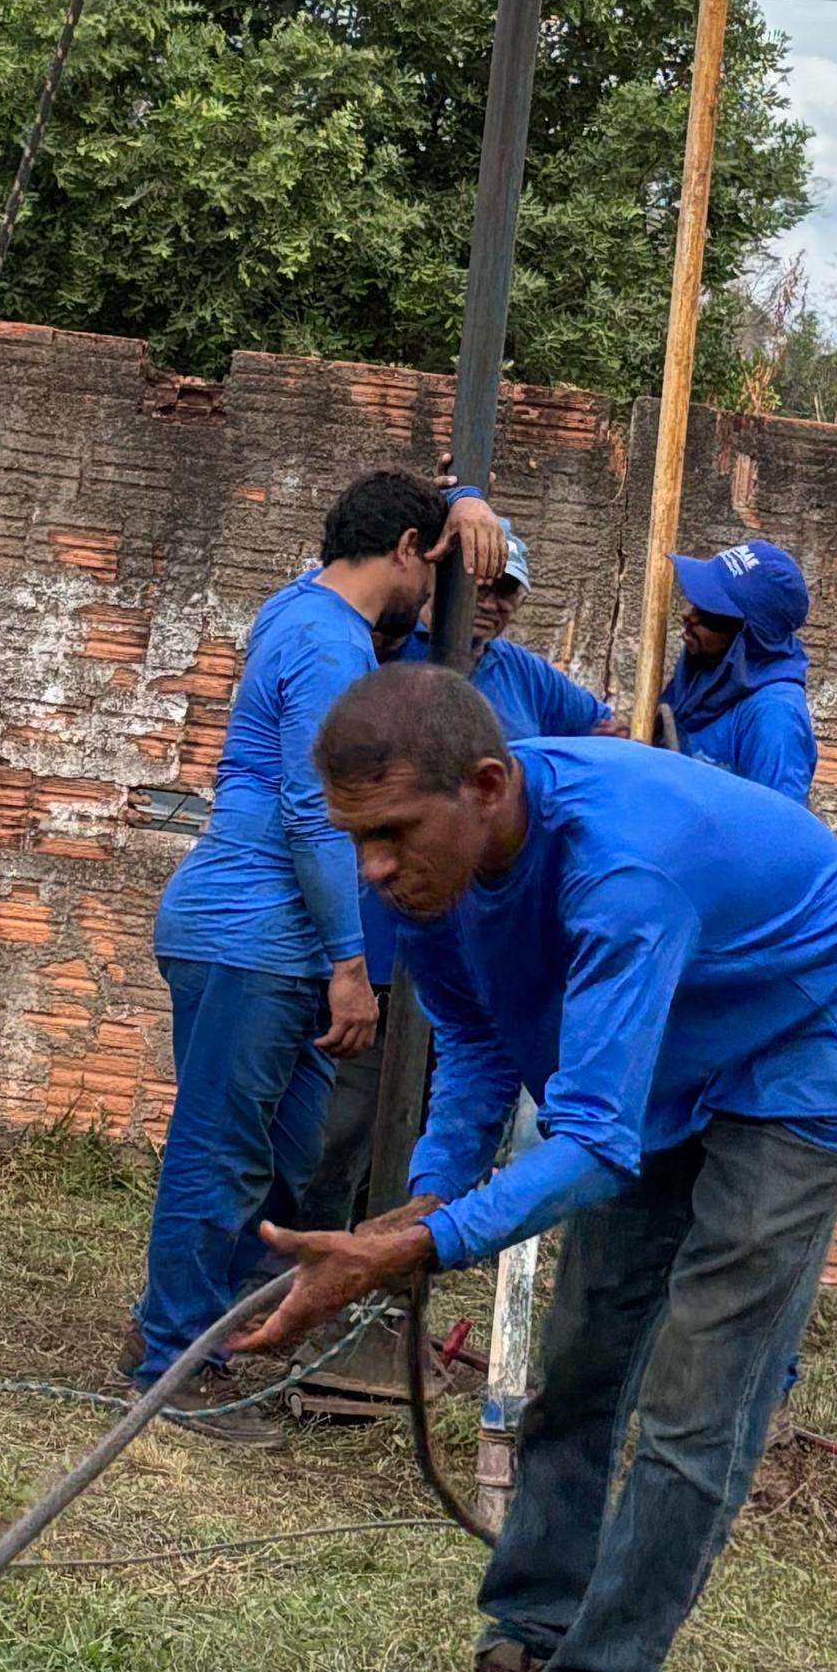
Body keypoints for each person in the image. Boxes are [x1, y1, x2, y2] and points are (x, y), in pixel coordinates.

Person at [246, 666, 837, 1672]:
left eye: (393, 833)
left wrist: (415, 1240)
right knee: (579, 1367)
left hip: (814, 1046)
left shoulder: (623, 869)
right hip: (673, 1047)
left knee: (693, 1399)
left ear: (490, 784)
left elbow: (594, 1144)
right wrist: (423, 1198)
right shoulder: (425, 877)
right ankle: (525, 1654)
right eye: (356, 837)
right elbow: (473, 1037)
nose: (371, 867)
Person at [133, 468, 502, 1408]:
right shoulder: (327, 645)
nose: (434, 600)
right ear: (409, 552)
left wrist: (461, 493)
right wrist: (351, 965)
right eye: (432, 569)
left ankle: (219, 1333)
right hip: (249, 932)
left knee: (286, 1160)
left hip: (274, 942)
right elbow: (313, 813)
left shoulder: (302, 610)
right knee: (218, 1154)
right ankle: (174, 1365)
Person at [304, 524, 609, 1230]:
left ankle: (387, 1270)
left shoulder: (520, 673)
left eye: (508, 590)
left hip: (484, 943)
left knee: (440, 1113)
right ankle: (310, 1266)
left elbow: (604, 733)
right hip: (391, 941)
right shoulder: (391, 664)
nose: (493, 603)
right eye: (480, 585)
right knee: (343, 1128)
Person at [660, 535, 818, 804]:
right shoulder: (708, 668)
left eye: (709, 612)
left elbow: (774, 834)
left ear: (748, 637)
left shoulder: (775, 720)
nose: (687, 615)